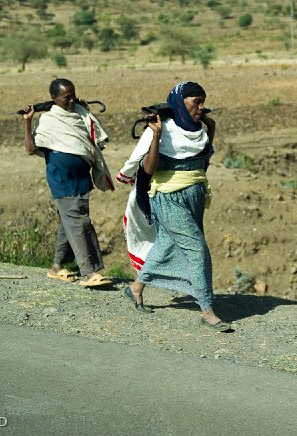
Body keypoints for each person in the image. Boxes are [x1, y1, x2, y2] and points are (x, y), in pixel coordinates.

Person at [117, 81, 230, 331]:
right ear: (180, 103)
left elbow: (203, 160)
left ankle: (136, 287)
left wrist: (211, 131)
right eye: (195, 102)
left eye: (203, 101)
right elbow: (147, 167)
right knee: (196, 249)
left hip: (194, 194)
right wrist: (156, 136)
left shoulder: (199, 128)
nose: (201, 107)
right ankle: (207, 309)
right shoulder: (161, 128)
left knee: (166, 243)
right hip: (167, 197)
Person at [22, 78, 114, 289]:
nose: (72, 101)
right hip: (62, 181)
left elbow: (92, 139)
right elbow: (30, 148)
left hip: (81, 180)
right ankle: (89, 272)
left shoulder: (78, 116)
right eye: (67, 97)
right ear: (54, 99)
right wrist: (27, 121)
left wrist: (84, 111)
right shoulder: (48, 120)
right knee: (79, 223)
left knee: (69, 223)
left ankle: (57, 266)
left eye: (73, 96)